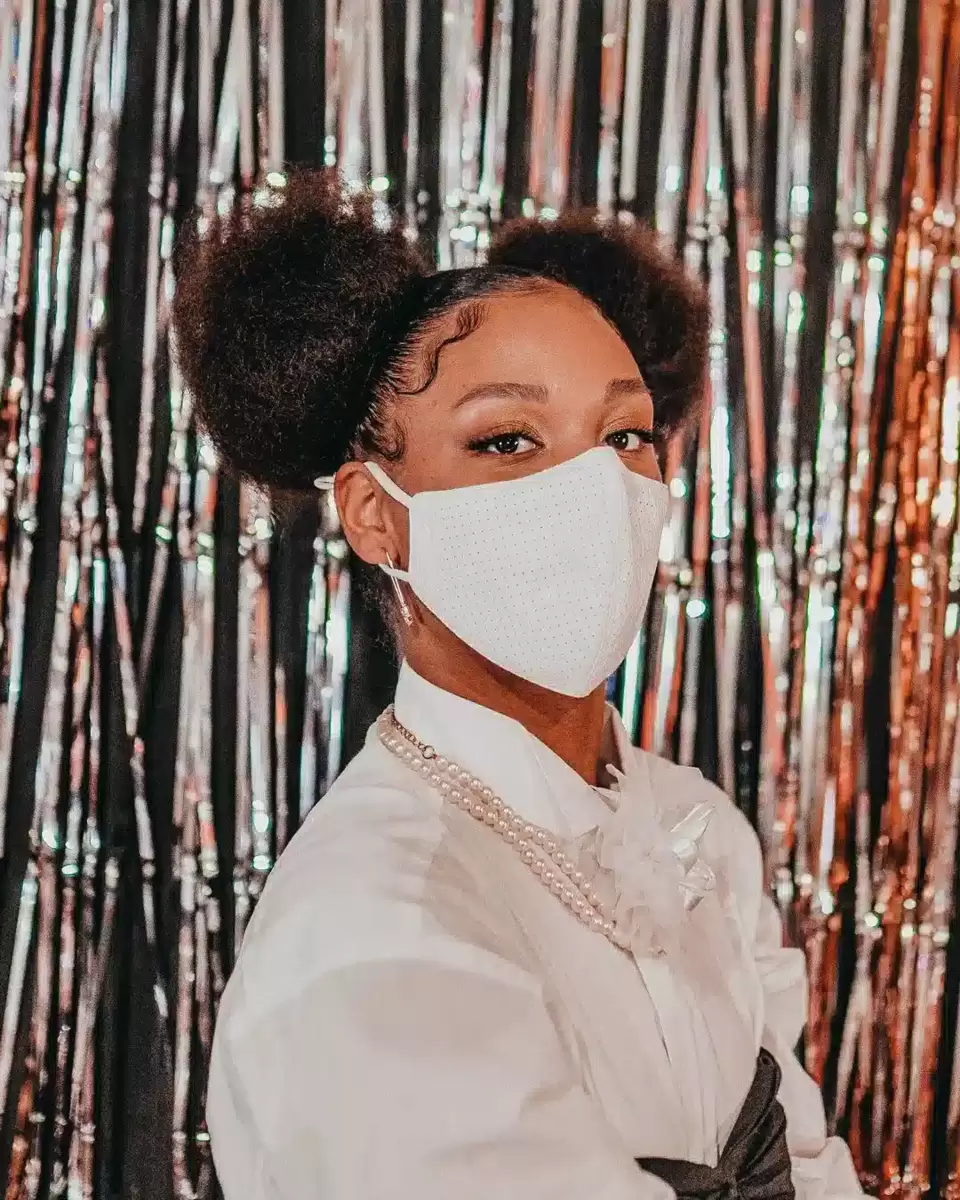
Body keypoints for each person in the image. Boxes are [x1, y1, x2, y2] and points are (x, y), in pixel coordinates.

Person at [172, 171, 864, 1200]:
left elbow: (805, 1163)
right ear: (375, 515)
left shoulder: (699, 832)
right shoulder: (375, 935)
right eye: (507, 441)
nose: (593, 488)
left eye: (625, 436)